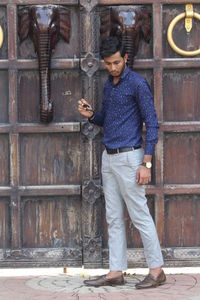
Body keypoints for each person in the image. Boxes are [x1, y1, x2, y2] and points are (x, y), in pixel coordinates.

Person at [78, 36, 166, 289]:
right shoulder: (109, 84)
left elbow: (152, 123)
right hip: (109, 157)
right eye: (108, 64)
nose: (113, 67)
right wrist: (92, 115)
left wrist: (146, 164)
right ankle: (116, 272)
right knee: (113, 217)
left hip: (131, 158)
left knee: (139, 215)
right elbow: (108, 119)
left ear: (125, 58)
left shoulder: (138, 84)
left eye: (116, 62)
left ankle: (157, 270)